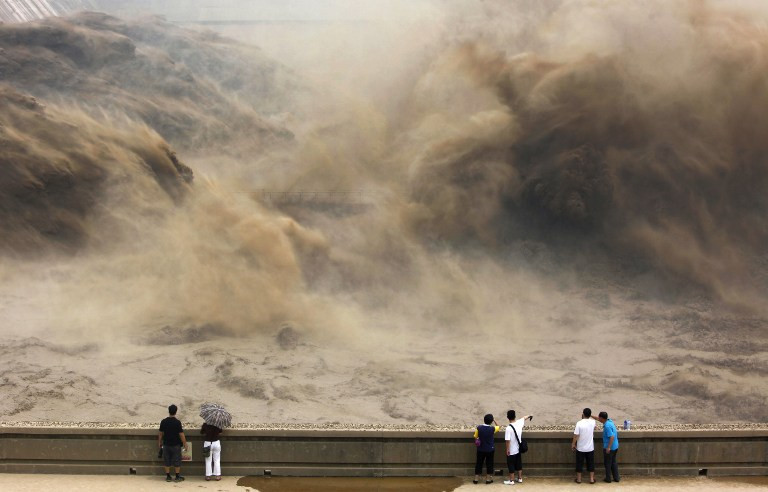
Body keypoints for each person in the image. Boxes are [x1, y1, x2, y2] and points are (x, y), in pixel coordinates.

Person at [158, 404, 188, 483]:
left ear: (169, 411)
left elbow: (160, 433)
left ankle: (168, 476)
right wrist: (185, 444)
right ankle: (177, 476)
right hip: (176, 445)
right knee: (177, 460)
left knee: (167, 460)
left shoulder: (163, 421)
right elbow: (181, 434)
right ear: (176, 412)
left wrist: (159, 442)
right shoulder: (177, 422)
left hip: (166, 444)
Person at [503, 410, 533, 485]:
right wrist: (529, 415)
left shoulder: (508, 428)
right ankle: (520, 478)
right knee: (519, 464)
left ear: (507, 417)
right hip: (518, 449)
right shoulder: (519, 423)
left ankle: (511, 480)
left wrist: (507, 449)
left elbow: (507, 441)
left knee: (511, 464)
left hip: (511, 450)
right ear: (515, 416)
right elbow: (524, 418)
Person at [473, 413, 501, 484]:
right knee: (489, 463)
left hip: (480, 449)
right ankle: (488, 479)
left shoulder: (479, 428)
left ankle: (476, 478)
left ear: (484, 420)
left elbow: (476, 436)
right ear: (491, 421)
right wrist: (494, 420)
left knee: (479, 463)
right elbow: (499, 426)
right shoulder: (492, 429)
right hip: (490, 449)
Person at [571, 407, 596, 484]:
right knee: (591, 463)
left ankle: (579, 479)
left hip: (581, 448)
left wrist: (573, 444)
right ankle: (591, 479)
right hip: (590, 448)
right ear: (590, 414)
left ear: (583, 414)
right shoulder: (593, 422)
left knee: (579, 463)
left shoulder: (579, 423)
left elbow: (576, 435)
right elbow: (594, 427)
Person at [594, 411, 620, 483]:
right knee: (613, 462)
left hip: (610, 448)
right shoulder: (609, 421)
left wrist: (608, 447)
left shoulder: (607, 426)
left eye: (599, 418)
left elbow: (611, 437)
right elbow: (598, 419)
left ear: (602, 418)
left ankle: (608, 478)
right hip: (615, 446)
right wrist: (591, 416)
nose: (598, 419)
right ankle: (616, 478)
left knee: (607, 463)